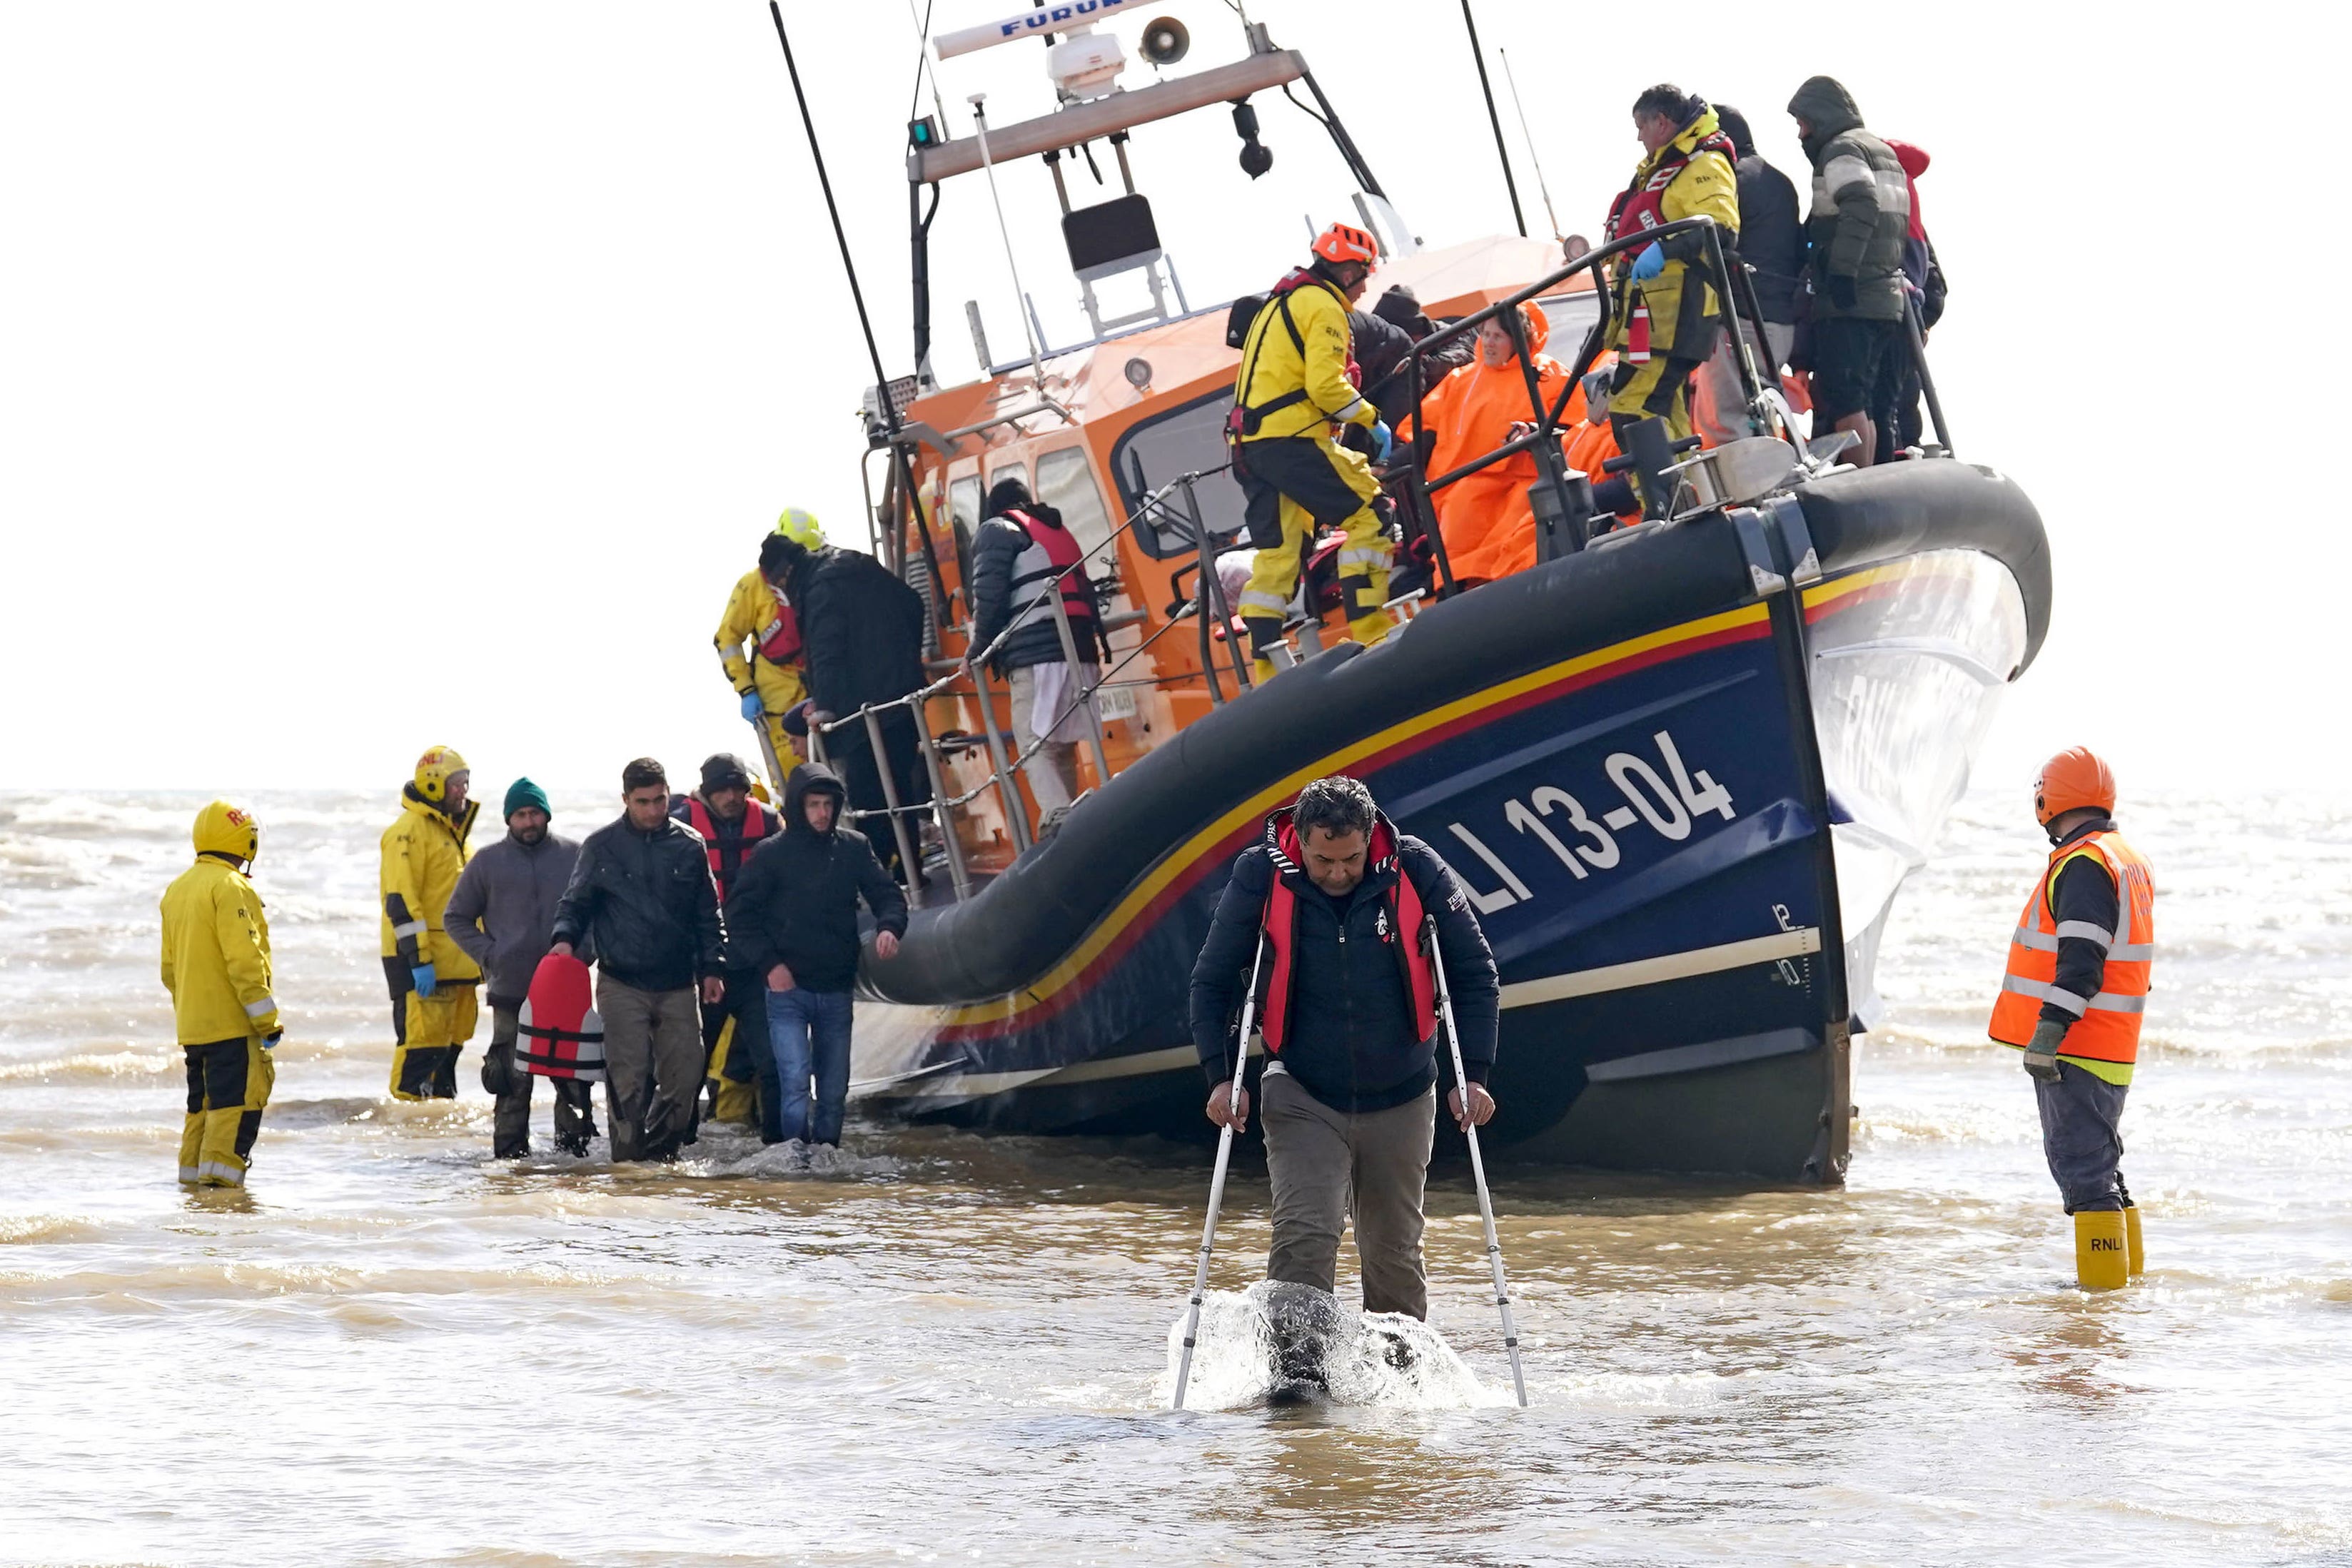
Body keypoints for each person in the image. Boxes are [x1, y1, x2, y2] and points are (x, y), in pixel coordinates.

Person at [1187, 776, 1500, 1358]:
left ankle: (1397, 1383)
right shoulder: (1260, 874)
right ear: (1300, 841)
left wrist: (1473, 1073)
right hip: (1302, 1086)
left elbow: (1475, 971)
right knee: (1305, 1233)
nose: (1335, 873)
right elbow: (1211, 981)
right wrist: (1220, 1075)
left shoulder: (1416, 868)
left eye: (1350, 858)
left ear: (1370, 838)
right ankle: (1297, 1381)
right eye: (1322, 859)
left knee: (1393, 1252)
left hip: (1404, 1090)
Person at [1987, 747, 2156, 1290]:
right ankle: (2124, 1290)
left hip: (2078, 1045)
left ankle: (2100, 1308)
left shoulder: (2084, 862)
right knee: (2101, 1166)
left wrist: (2048, 1032)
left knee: (2083, 1172)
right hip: (2110, 1043)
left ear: (2046, 798)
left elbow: (2082, 958)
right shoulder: (2122, 856)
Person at [1229, 223, 1394, 679]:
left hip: (1252, 446)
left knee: (1279, 554)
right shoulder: (1323, 306)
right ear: (1346, 272)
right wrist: (1371, 420)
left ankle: (1266, 668)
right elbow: (1326, 387)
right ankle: (1371, 630)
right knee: (1372, 513)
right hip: (1292, 439)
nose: (1363, 289)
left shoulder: (1279, 303)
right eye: (1364, 277)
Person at [549, 758, 727, 1163]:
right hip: (621, 982)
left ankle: (660, 1162)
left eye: (660, 800)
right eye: (643, 802)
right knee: (626, 1084)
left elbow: (709, 913)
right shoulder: (602, 846)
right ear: (626, 799)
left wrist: (713, 968)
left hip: (679, 982)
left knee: (685, 1080)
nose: (653, 810)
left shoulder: (689, 843)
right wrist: (563, 941)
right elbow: (574, 904)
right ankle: (628, 1167)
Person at [730, 763, 908, 1148]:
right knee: (794, 1080)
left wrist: (890, 927)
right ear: (798, 807)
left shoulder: (853, 848)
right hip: (786, 989)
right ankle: (794, 1160)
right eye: (813, 805)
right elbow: (740, 917)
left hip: (837, 986)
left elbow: (887, 894)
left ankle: (826, 1159)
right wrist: (770, 965)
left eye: (828, 804)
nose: (822, 813)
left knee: (833, 1090)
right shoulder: (770, 854)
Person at [761, 523, 933, 881]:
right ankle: (911, 870)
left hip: (863, 713)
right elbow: (912, 604)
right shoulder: (858, 564)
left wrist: (823, 704)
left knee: (869, 797)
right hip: (902, 699)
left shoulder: (818, 588)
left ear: (785, 574)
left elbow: (827, 649)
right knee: (901, 785)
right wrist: (906, 661)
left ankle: (878, 878)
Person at [447, 777, 595, 1158]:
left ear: (546, 815)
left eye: (535, 813)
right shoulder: (487, 862)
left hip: (566, 993)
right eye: (521, 815)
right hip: (511, 990)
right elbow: (456, 918)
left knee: (573, 1083)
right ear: (509, 820)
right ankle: (510, 1166)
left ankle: (572, 1161)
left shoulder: (576, 856)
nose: (529, 822)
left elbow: (599, 914)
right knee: (511, 1082)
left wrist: (583, 954)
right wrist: (490, 954)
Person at [1600, 86, 1740, 457]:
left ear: (1661, 122)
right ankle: (1689, 498)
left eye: (1641, 126)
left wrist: (1665, 249)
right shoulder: (1659, 170)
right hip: (1651, 318)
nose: (1638, 136)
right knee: (1666, 412)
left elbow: (1721, 228)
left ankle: (1663, 505)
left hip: (1679, 311)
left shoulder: (1702, 164)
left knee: (1633, 412)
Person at [1787, 76, 1912, 467]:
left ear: (1820, 117)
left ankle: (1860, 484)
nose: (1800, 134)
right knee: (1872, 403)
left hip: (1851, 300)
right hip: (1885, 296)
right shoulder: (1882, 152)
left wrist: (1840, 272)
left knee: (1845, 400)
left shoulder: (1841, 150)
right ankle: (1878, 479)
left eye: (1802, 123)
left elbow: (1860, 203)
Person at [1410, 300, 1576, 584]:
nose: (1488, 343)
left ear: (1518, 340)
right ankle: (1459, 588)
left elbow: (1575, 424)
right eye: (1485, 334)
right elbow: (1422, 427)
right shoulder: (1460, 380)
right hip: (1467, 481)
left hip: (1525, 475)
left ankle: (1506, 582)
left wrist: (1532, 431)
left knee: (1519, 513)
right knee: (1460, 514)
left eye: (1497, 336)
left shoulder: (1548, 375)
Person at [160, 801, 281, 1188]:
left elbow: (169, 971)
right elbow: (245, 963)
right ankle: (222, 1202)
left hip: (194, 1029)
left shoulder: (177, 889)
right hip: (232, 1027)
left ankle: (192, 1193)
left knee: (201, 1110)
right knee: (236, 1109)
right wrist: (267, 1021)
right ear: (247, 843)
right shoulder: (231, 887)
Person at [966, 477, 1103, 819]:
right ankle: (1074, 819)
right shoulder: (1057, 529)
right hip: (1081, 650)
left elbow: (990, 596)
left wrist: (978, 650)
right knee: (1062, 744)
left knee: (1033, 745)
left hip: (1036, 654)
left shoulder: (996, 530)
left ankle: (1059, 817)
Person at [671, 752, 779, 1128]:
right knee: (691, 1061)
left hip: (755, 963)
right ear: (707, 792)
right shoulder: (680, 825)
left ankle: (781, 1144)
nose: (732, 797)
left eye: (738, 789)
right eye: (723, 790)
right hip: (703, 965)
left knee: (771, 1059)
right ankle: (677, 1142)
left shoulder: (768, 823)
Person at [1693, 105, 1804, 447]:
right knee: (1766, 414)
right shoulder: (1781, 181)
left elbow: (1715, 246)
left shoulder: (1728, 181)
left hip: (1738, 320)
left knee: (1726, 422)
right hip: (1780, 323)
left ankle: (1754, 498)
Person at [379, 744, 481, 1101]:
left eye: (466, 783)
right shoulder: (407, 832)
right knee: (419, 1054)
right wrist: (419, 960)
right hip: (422, 964)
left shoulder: (452, 834)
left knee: (448, 1053)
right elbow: (401, 902)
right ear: (435, 785)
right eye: (457, 784)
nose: (463, 791)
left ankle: (434, 1142)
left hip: (456, 964)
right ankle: (406, 1144)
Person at [716, 508, 821, 777]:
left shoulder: (821, 579)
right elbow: (727, 638)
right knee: (793, 778)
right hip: (777, 704)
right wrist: (746, 689)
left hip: (820, 692)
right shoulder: (752, 585)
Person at [1879, 138, 1949, 459]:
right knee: (1903, 397)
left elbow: (1934, 282)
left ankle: (1903, 453)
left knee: (1894, 399)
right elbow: (1935, 283)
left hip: (1897, 313)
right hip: (1908, 313)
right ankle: (1907, 450)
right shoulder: (1906, 207)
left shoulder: (1887, 210)